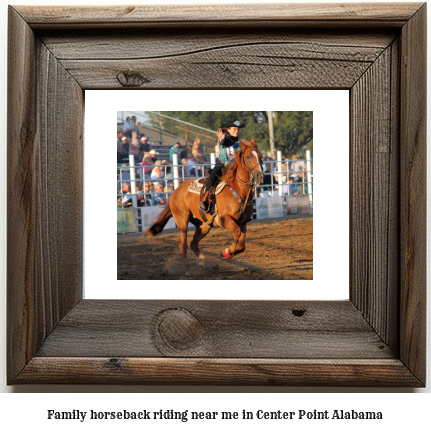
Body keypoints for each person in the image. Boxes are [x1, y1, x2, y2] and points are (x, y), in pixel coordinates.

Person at [199, 118, 244, 212]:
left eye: (238, 129)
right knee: (212, 178)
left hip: (234, 166)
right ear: (228, 130)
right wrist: (222, 139)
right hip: (222, 165)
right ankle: (205, 201)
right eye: (234, 129)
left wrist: (238, 154)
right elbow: (223, 142)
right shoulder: (223, 139)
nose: (236, 131)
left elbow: (241, 152)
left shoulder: (240, 143)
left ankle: (245, 205)